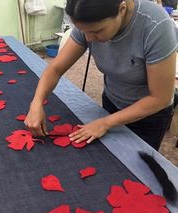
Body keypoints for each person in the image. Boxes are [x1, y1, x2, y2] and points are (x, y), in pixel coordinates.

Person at [24, 0, 177, 151]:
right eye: (84, 32)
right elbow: (56, 68)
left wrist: (105, 123)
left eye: (96, 32)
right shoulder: (87, 20)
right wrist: (36, 102)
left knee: (138, 166)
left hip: (147, 116)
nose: (89, 38)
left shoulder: (156, 26)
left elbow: (160, 98)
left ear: (122, 9)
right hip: (112, 101)